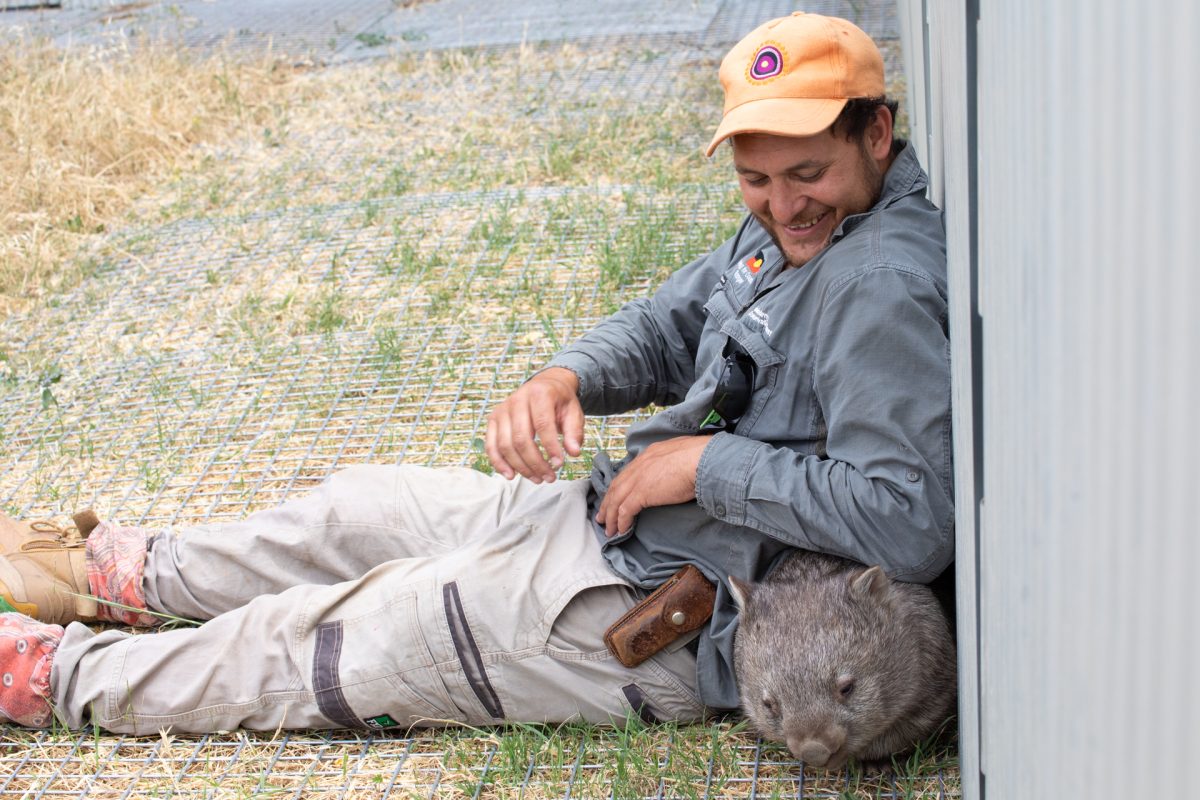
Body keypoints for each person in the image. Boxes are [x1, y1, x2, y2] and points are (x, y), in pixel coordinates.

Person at [0, 12, 952, 732]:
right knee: (359, 509)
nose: (782, 205)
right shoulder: (804, 226)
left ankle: (59, 678)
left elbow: (910, 518)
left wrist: (703, 467)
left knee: (352, 632)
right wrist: (566, 378)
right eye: (756, 179)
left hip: (660, 612)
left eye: (807, 175)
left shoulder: (880, 289)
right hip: (611, 523)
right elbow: (673, 322)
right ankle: (116, 574)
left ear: (876, 132)